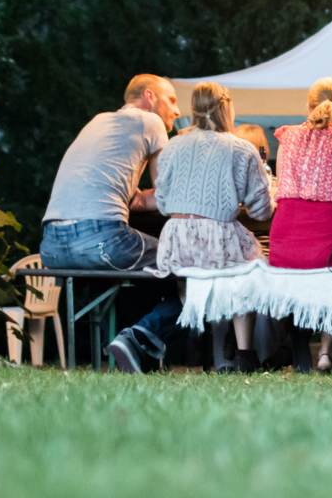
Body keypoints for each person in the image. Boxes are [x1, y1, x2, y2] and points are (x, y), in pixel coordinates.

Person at [40, 74, 177, 372]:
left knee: (144, 276)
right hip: (101, 239)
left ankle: (117, 345)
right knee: (188, 262)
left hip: (51, 246)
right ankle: (139, 337)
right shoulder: (149, 121)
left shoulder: (99, 121)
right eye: (172, 100)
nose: (176, 111)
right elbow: (166, 192)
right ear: (149, 96)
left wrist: (144, 198)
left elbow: (136, 198)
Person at [149, 82, 276, 373]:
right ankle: (245, 352)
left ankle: (207, 353)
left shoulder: (172, 146)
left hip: (176, 240)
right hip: (218, 238)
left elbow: (163, 202)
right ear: (227, 107)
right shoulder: (241, 148)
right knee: (251, 272)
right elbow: (261, 212)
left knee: (217, 274)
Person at [269, 77, 332, 371]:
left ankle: (305, 349)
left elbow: (282, 191)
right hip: (325, 249)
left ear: (309, 106)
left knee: (326, 267)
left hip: (284, 246)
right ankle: (327, 350)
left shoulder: (286, 135)